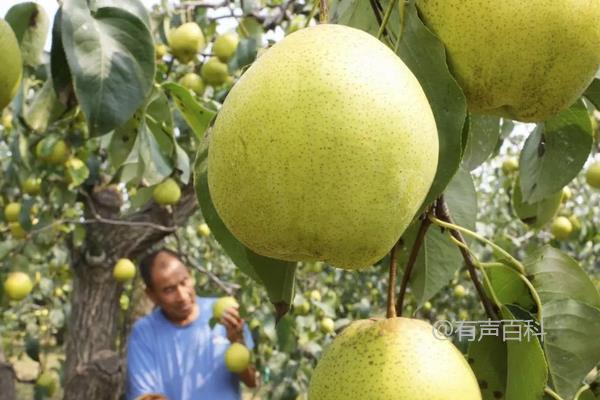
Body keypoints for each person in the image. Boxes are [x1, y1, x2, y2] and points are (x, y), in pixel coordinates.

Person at [126, 248, 258, 400]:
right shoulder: (144, 333)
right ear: (151, 295)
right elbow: (146, 396)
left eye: (184, 282)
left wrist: (238, 342)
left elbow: (252, 381)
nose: (182, 296)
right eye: (169, 290)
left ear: (190, 275)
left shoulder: (225, 317)